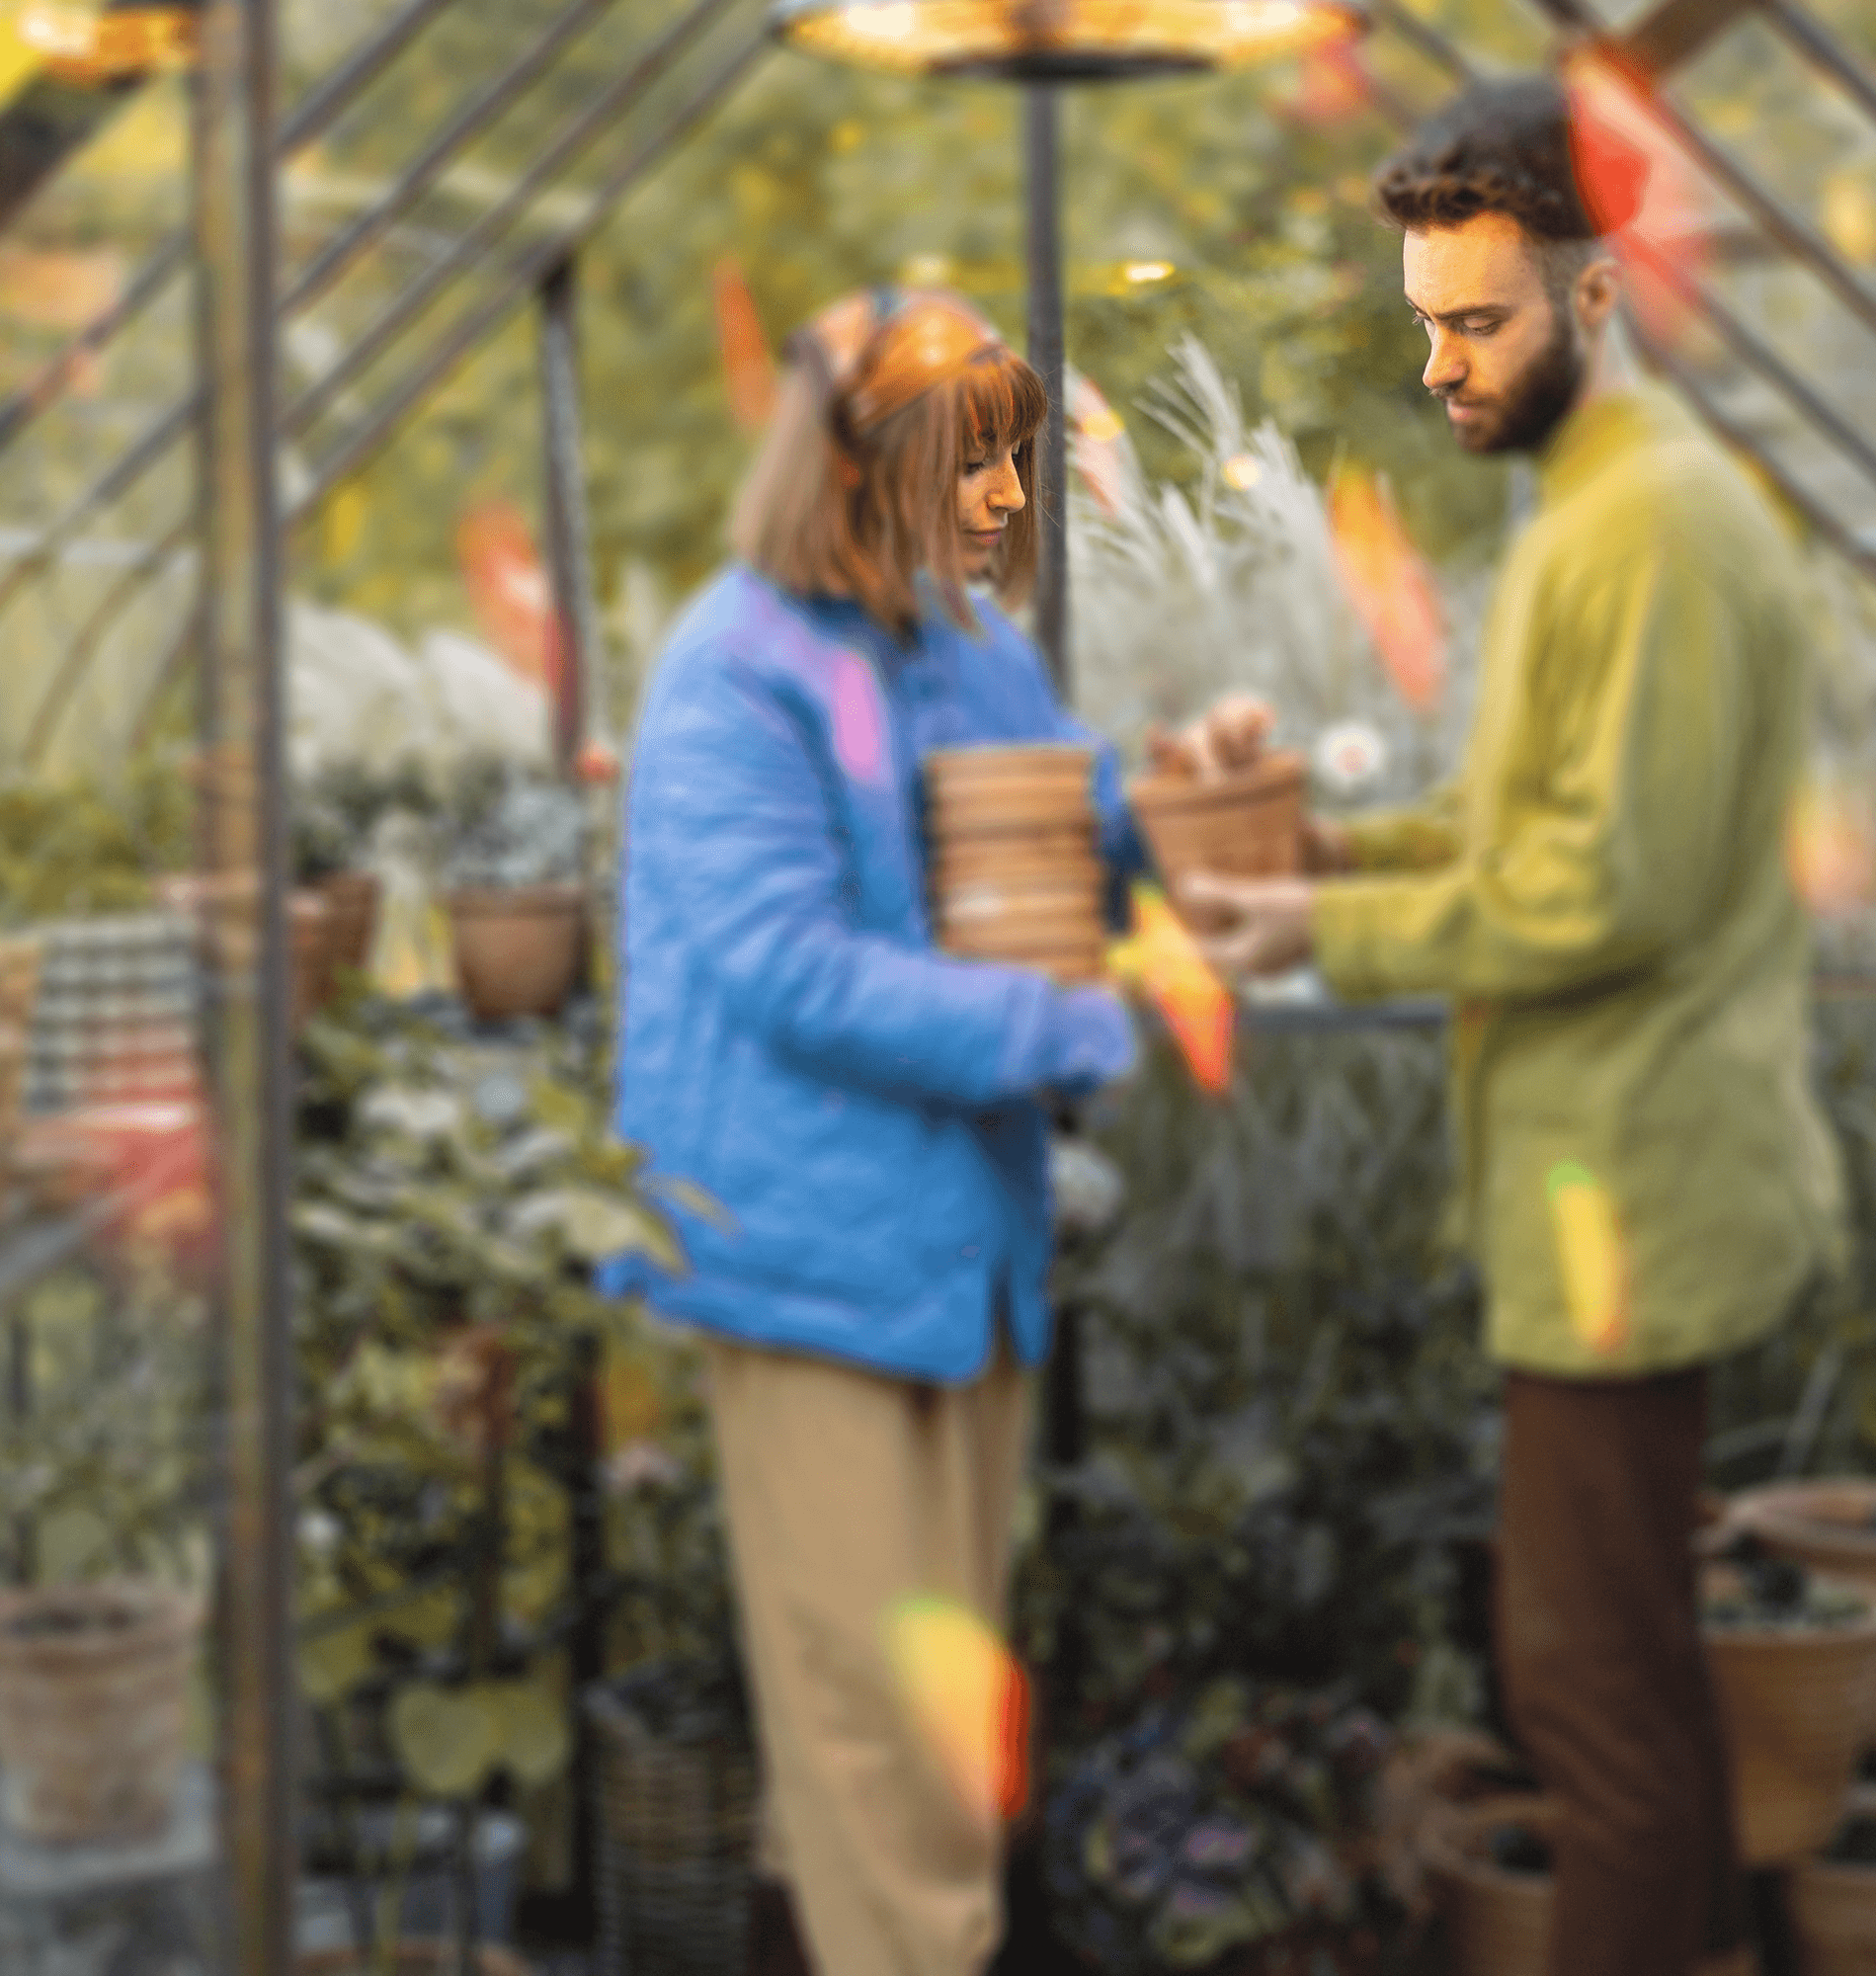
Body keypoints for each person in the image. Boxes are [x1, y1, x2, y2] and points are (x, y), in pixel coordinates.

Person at [1185, 78, 1843, 1976]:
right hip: (1609, 1201)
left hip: (1634, 1212)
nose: (1445, 365)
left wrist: (1321, 921)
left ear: (1601, 293)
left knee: (1588, 1699)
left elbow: (1599, 893)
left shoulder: (1653, 533)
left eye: (1480, 323)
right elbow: (1520, 827)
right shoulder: (1602, 511)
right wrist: (1327, 847)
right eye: (1427, 325)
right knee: (1620, 1669)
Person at [609, 287, 1148, 1976]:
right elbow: (787, 967)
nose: (1003, 502)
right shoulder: (733, 674)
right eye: (972, 464)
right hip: (801, 1255)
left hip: (956, 1249)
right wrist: (1057, 1026)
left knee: (922, 1710)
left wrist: (1165, 798)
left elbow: (1059, 811)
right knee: (876, 1737)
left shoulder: (963, 644)